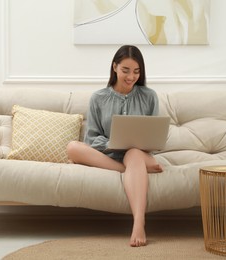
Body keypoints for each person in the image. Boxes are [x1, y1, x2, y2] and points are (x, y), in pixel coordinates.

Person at [66, 45, 162, 247]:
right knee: (73, 147)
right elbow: (91, 139)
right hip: (109, 155)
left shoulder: (149, 96)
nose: (131, 76)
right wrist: (114, 143)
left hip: (139, 154)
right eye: (126, 70)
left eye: (136, 71)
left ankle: (138, 222)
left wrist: (136, 147)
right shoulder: (98, 98)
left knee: (134, 153)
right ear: (115, 67)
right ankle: (131, 171)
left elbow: (154, 137)